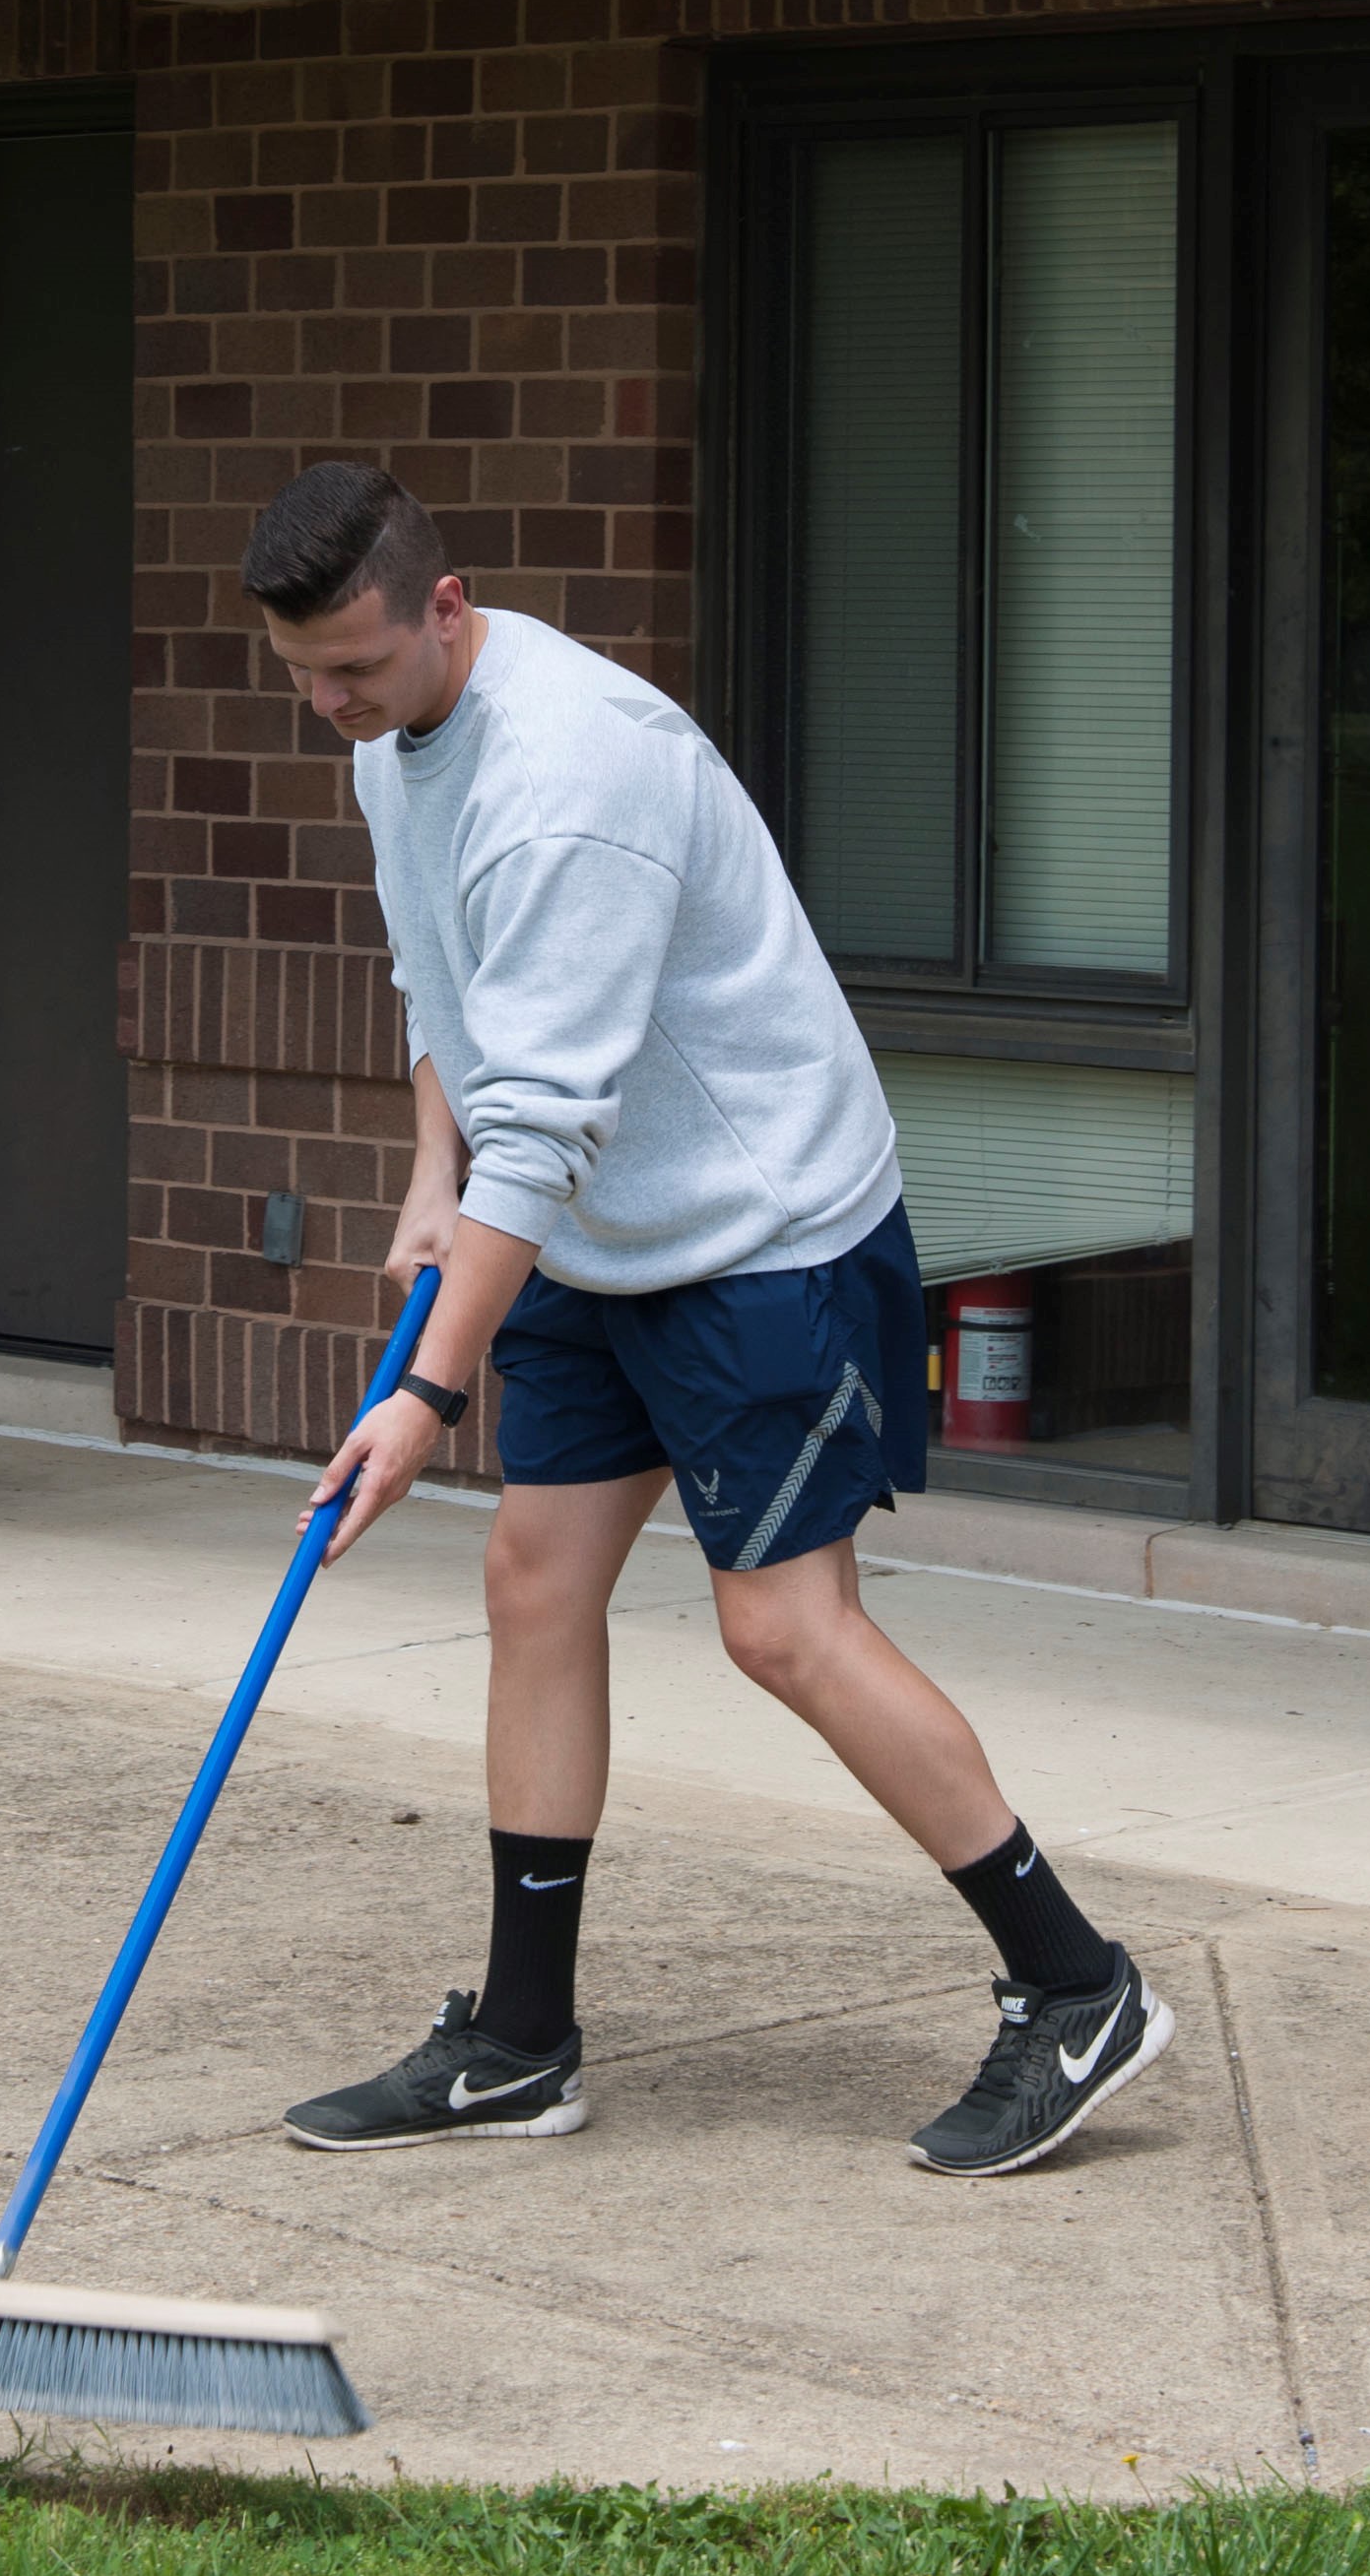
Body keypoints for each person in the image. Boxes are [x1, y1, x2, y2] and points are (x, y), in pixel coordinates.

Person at [244, 461, 1166, 2177]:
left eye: (355, 671)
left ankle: (1077, 1983)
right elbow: (438, 991)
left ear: (446, 610)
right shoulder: (392, 751)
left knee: (781, 1630)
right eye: (303, 676)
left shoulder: (575, 776)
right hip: (585, 1234)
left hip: (760, 1236)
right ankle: (521, 2042)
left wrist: (425, 1395)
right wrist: (427, 1172)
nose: (331, 709)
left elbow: (553, 1116)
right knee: (534, 1578)